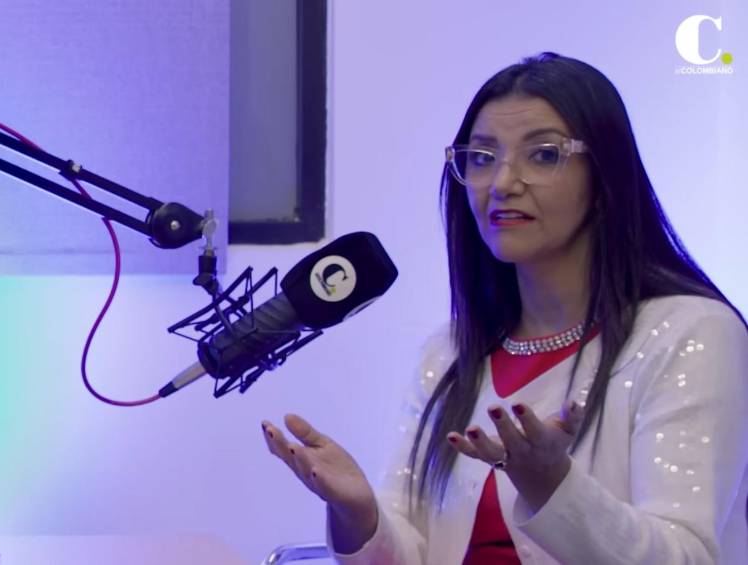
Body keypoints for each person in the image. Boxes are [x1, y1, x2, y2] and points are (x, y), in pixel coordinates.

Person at [261, 52, 748, 564]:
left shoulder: (691, 333)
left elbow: (689, 555)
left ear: (605, 179)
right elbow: (411, 552)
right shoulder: (448, 353)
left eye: (542, 155)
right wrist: (358, 515)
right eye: (482, 157)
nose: (503, 182)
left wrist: (555, 487)